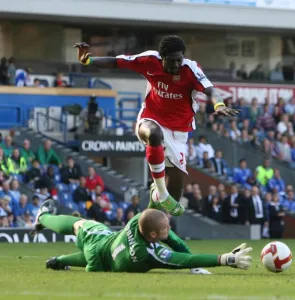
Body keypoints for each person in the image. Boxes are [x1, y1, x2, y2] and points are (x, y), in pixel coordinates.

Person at [74, 36, 240, 216]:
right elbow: (116, 62)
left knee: (173, 204)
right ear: (162, 57)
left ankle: (154, 212)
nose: (176, 64)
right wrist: (89, 60)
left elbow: (211, 90)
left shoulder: (190, 68)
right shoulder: (149, 60)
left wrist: (219, 105)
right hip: (150, 118)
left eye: (179, 59)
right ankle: (161, 192)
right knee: (154, 134)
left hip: (178, 132)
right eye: (172, 60)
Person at [31, 199, 252, 274]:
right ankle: (45, 222)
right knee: (81, 234)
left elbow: (171, 238)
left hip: (101, 246)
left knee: (78, 224)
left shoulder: (139, 220)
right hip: (100, 256)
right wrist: (225, 259)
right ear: (154, 235)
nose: (170, 228)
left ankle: (45, 221)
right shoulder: (149, 253)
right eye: (166, 227)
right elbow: (185, 259)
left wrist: (157, 195)